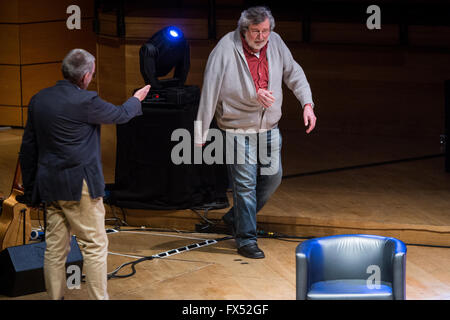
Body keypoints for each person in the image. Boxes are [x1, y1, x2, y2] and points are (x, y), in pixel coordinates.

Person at [19, 48, 150, 299]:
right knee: (94, 246)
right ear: (86, 76)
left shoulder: (39, 99)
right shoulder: (86, 102)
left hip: (50, 184)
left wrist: (30, 189)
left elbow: (28, 148)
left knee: (55, 249)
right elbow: (121, 115)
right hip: (80, 187)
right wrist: (137, 98)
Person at [194, 6, 316, 259]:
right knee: (245, 185)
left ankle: (234, 217)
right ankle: (246, 238)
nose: (261, 36)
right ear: (244, 30)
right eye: (256, 31)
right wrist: (200, 132)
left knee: (273, 178)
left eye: (265, 31)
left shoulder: (276, 43)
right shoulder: (225, 50)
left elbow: (294, 72)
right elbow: (211, 91)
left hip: (269, 127)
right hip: (237, 128)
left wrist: (307, 104)